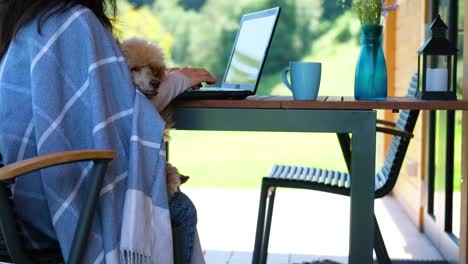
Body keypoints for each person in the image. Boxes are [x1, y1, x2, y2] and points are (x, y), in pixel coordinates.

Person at [0, 0, 216, 263]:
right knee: (181, 210)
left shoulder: (22, 23)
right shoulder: (74, 22)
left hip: (11, 212)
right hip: (49, 214)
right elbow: (120, 114)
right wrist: (180, 81)